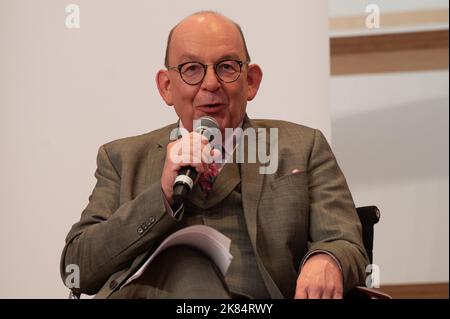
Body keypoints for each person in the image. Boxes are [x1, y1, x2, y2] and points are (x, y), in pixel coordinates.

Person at [60, 11, 368, 299]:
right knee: (185, 263)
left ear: (251, 81)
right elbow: (77, 269)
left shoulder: (302, 147)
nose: (210, 84)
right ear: (166, 86)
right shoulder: (123, 157)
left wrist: (327, 259)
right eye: (192, 69)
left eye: (226, 67)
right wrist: (162, 194)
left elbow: (346, 242)